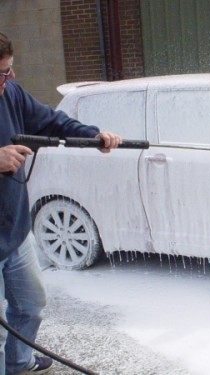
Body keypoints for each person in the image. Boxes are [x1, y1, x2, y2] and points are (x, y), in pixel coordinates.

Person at [0, 33, 121, 374]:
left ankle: (19, 364)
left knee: (30, 306)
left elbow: (52, 120)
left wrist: (93, 136)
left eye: (9, 71)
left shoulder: (11, 94)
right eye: (0, 74)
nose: (7, 80)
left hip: (14, 232)